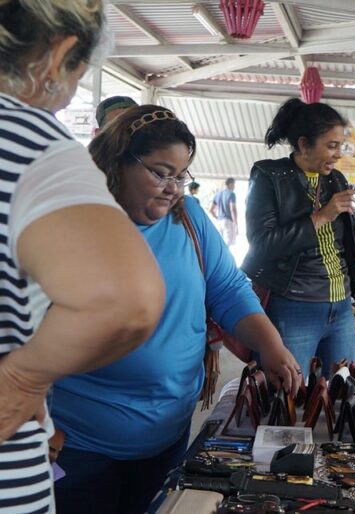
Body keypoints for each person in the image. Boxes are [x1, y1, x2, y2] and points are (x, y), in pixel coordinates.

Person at [52, 105, 301, 514]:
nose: (173, 187)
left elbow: (228, 290)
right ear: (117, 162)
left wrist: (270, 345)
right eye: (159, 172)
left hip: (167, 433)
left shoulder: (189, 219)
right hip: (78, 440)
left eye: (181, 175)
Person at [0, 2, 166, 512]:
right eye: (79, 71)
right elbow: (126, 300)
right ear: (59, 54)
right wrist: (23, 375)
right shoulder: (27, 141)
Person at [241, 98, 355, 375]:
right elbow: (262, 246)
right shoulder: (269, 176)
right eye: (331, 146)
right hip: (294, 307)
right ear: (304, 144)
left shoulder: (335, 180)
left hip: (342, 309)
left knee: (340, 396)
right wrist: (322, 216)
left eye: (341, 146)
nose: (339, 154)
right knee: (288, 396)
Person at [210, 177, 238, 246]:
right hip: (228, 221)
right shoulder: (231, 194)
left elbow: (211, 210)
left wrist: (217, 218)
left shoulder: (218, 194)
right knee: (228, 244)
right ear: (230, 184)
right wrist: (235, 223)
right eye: (234, 184)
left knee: (221, 244)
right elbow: (232, 209)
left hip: (219, 222)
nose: (234, 186)